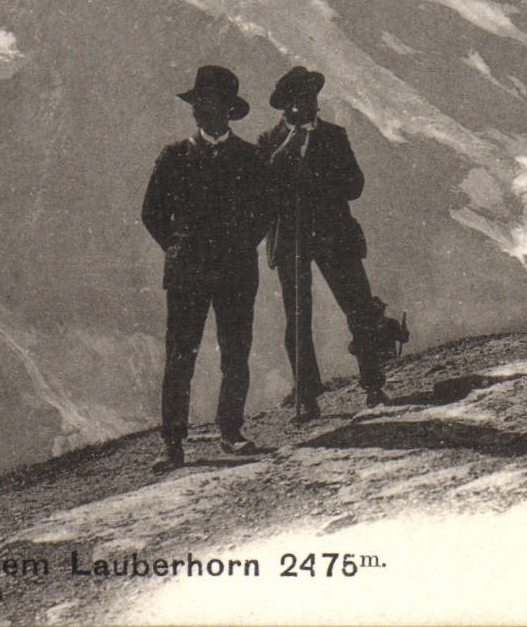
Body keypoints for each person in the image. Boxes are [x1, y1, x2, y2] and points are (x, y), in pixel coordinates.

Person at [141, 65, 273, 472]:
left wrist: (237, 247)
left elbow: (264, 213)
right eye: (197, 103)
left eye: (209, 103)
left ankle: (232, 432)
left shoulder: (251, 158)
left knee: (235, 353)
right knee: (181, 355)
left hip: (236, 272)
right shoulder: (174, 156)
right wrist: (179, 248)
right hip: (188, 274)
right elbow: (151, 214)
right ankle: (173, 444)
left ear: (228, 110)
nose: (200, 111)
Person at [259, 66, 401, 420]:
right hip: (290, 240)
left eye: (311, 97)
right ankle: (306, 397)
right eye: (300, 99)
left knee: (358, 308)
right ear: (286, 106)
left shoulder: (335, 137)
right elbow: (262, 192)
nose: (308, 105)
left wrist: (318, 179)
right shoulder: (268, 142)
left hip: (334, 234)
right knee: (297, 318)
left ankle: (373, 384)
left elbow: (355, 185)